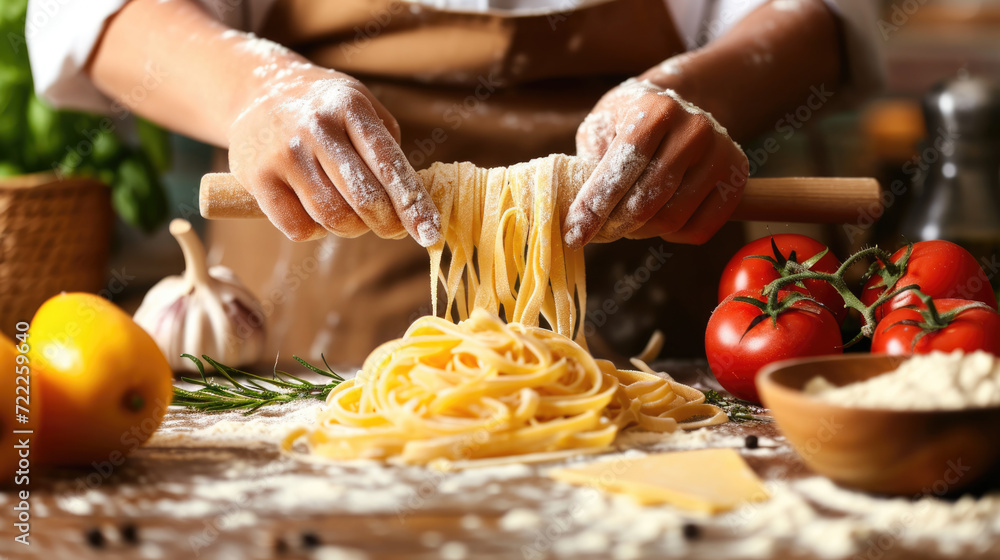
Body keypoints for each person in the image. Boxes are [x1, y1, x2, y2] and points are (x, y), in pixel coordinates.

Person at [28, 0, 882, 366]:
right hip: (314, 353)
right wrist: (258, 91)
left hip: (654, 354)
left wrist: (698, 98)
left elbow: (825, 16)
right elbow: (86, 15)